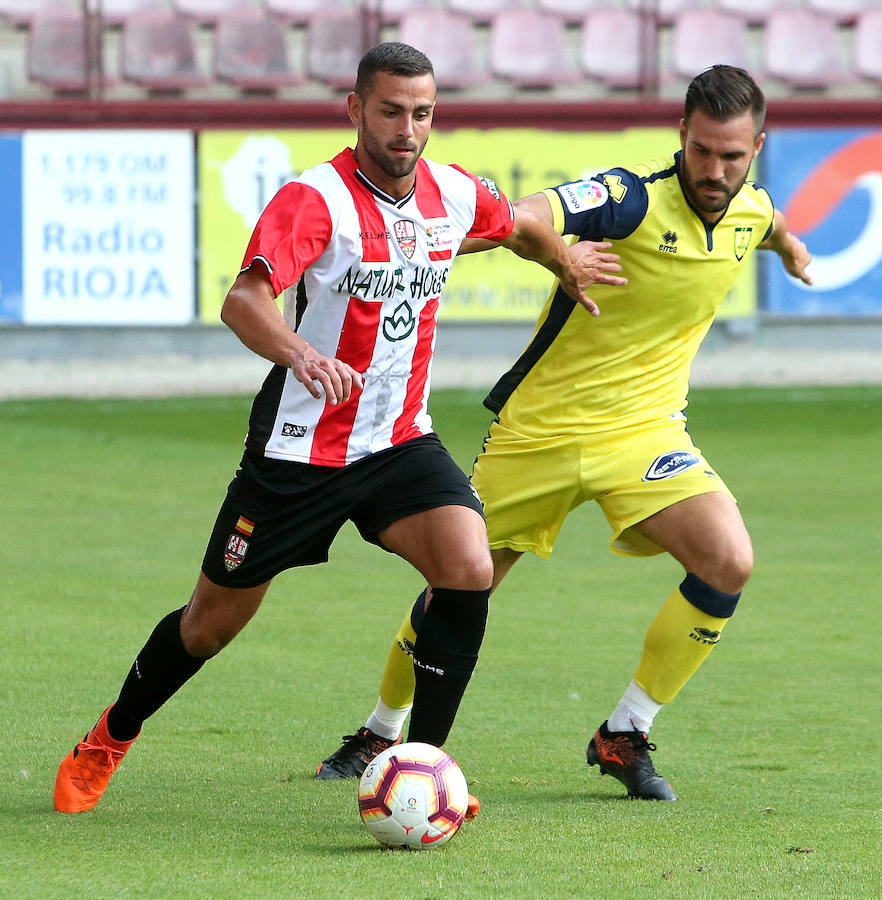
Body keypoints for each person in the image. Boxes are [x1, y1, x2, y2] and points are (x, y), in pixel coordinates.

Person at [52, 42, 623, 814]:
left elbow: (515, 223)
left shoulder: (452, 194)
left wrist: (562, 261)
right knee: (208, 627)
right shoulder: (314, 200)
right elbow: (244, 301)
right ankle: (108, 738)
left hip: (397, 442)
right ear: (355, 109)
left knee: (467, 566)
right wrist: (300, 354)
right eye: (390, 111)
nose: (407, 129)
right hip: (299, 455)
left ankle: (427, 769)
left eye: (421, 113)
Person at [314, 65, 813, 802]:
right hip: (537, 435)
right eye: (702, 151)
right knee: (460, 584)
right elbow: (524, 211)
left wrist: (792, 247)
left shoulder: (750, 210)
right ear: (681, 136)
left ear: (757, 149)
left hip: (644, 435)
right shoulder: (628, 197)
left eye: (733, 156)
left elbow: (763, 225)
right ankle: (383, 730)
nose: (715, 170)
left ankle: (625, 733)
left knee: (728, 559)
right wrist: (544, 248)